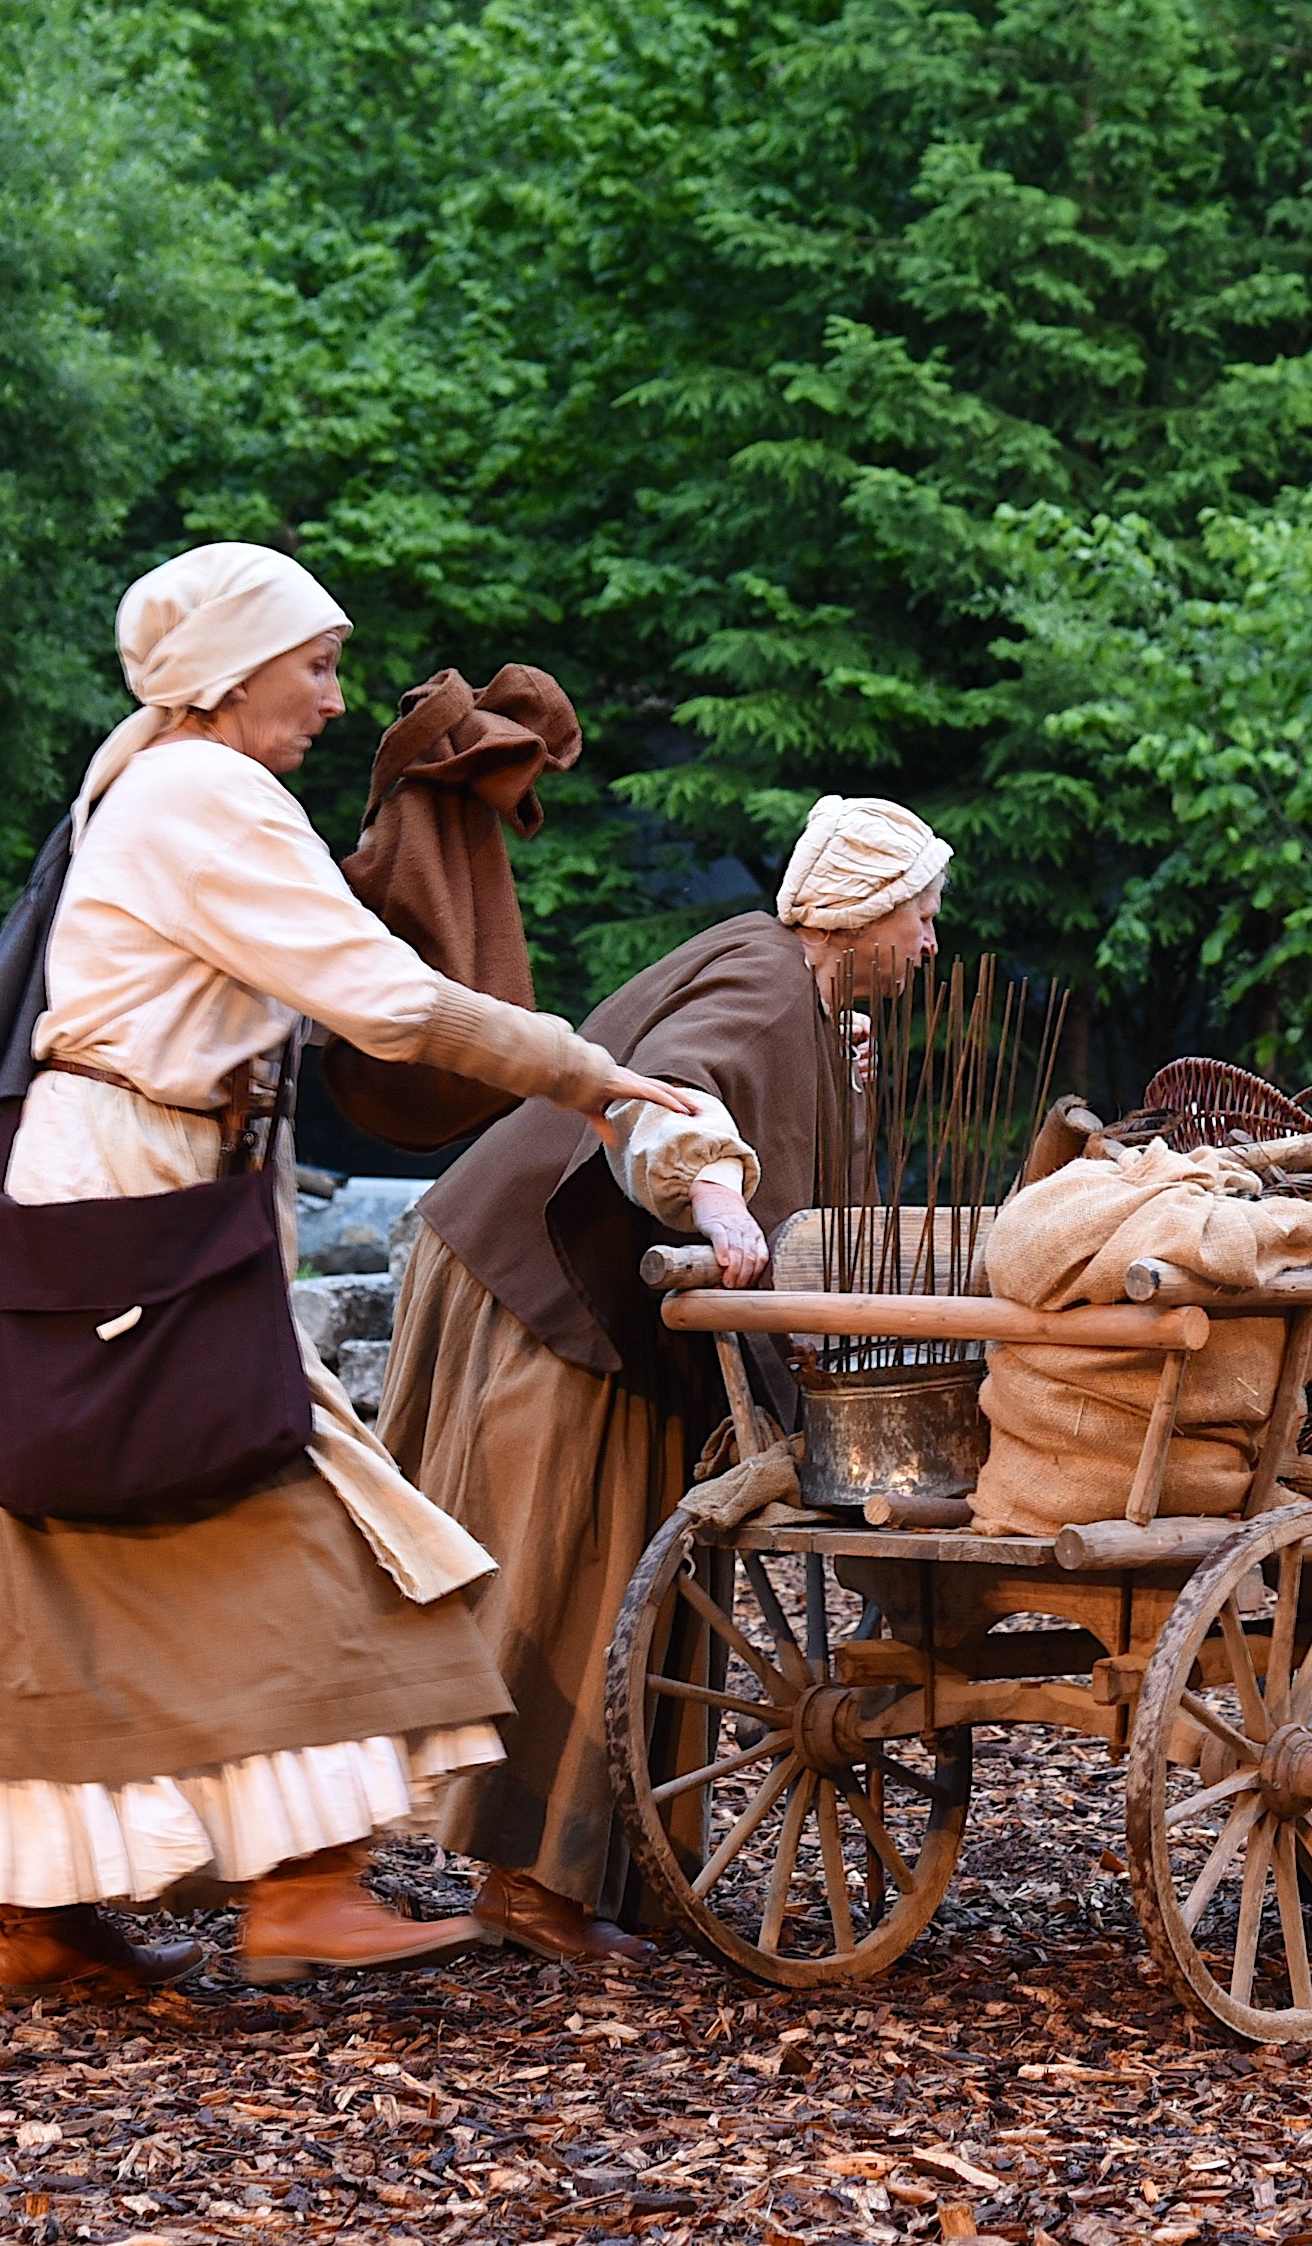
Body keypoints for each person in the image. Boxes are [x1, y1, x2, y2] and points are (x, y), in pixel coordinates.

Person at [0, 542, 695, 1995]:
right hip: (121, 1234)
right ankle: (301, 1890)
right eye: (313, 666)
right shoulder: (203, 791)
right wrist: (590, 1074)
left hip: (97, 1227)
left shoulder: (142, 776)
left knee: (60, 1583)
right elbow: (383, 999)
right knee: (315, 1519)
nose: (329, 699)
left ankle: (41, 1918)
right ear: (232, 670)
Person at [381, 795, 950, 1964]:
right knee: (570, 1573)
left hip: (578, 1296)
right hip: (555, 1297)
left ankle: (587, 1868)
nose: (932, 944)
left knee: (608, 1564)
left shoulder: (809, 999)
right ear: (864, 915)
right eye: (924, 918)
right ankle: (529, 1883)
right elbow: (676, 1089)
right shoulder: (763, 976)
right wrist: (716, 1192)